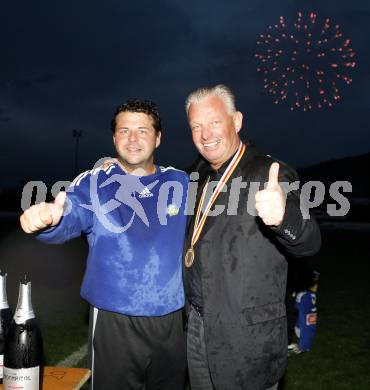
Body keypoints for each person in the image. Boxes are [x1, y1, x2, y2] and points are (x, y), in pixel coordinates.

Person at [20, 100, 188, 390]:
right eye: (124, 130)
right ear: (114, 138)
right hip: (114, 321)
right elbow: (71, 214)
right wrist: (50, 220)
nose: (133, 139)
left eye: (142, 130)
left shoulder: (181, 182)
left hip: (170, 321)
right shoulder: (94, 183)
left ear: (158, 138)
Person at [183, 85, 321, 390]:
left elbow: (310, 240)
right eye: (196, 126)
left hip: (246, 337)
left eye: (215, 122)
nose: (206, 135)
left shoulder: (267, 172)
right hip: (197, 324)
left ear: (237, 121)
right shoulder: (200, 176)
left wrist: (283, 217)